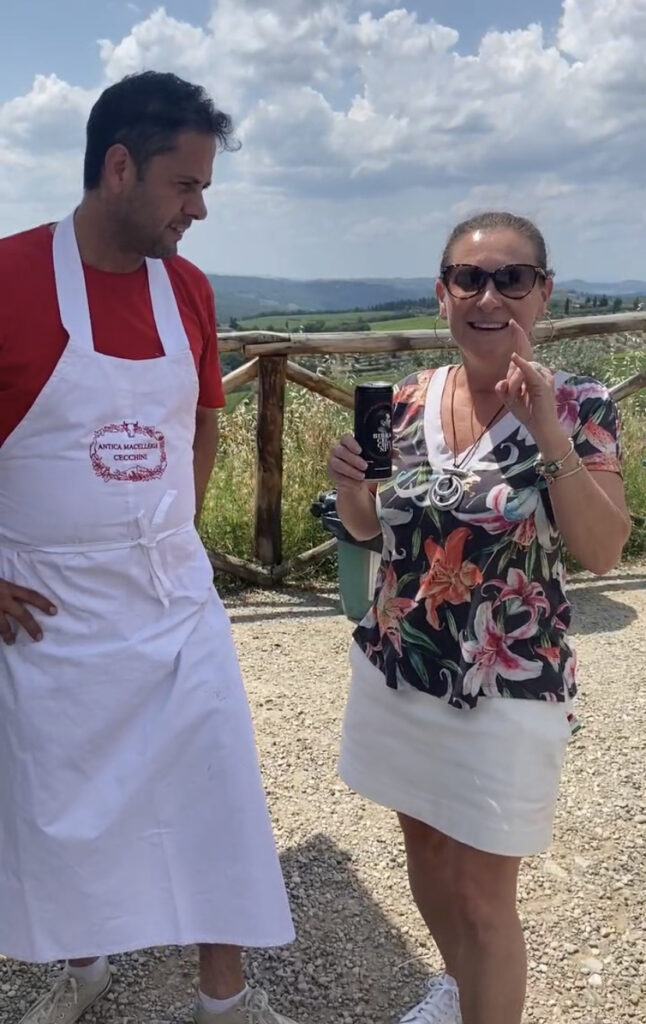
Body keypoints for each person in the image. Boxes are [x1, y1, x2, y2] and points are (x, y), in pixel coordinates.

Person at [0, 71, 298, 1024]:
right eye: (186, 185)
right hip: (49, 612)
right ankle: (81, 969)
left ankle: (225, 998)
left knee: (215, 791)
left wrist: (168, 531)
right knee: (60, 813)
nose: (199, 209)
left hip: (173, 601)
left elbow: (199, 424)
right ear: (120, 167)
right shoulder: (6, 279)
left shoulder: (190, 291)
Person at [327, 211, 631, 1024]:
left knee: (485, 895)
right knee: (426, 851)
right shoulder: (404, 401)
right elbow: (371, 532)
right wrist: (353, 489)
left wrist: (546, 430)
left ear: (543, 293)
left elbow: (602, 549)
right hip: (400, 667)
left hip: (510, 681)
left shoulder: (580, 404)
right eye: (470, 278)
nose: (489, 296)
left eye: (511, 278)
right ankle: (459, 990)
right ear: (443, 294)